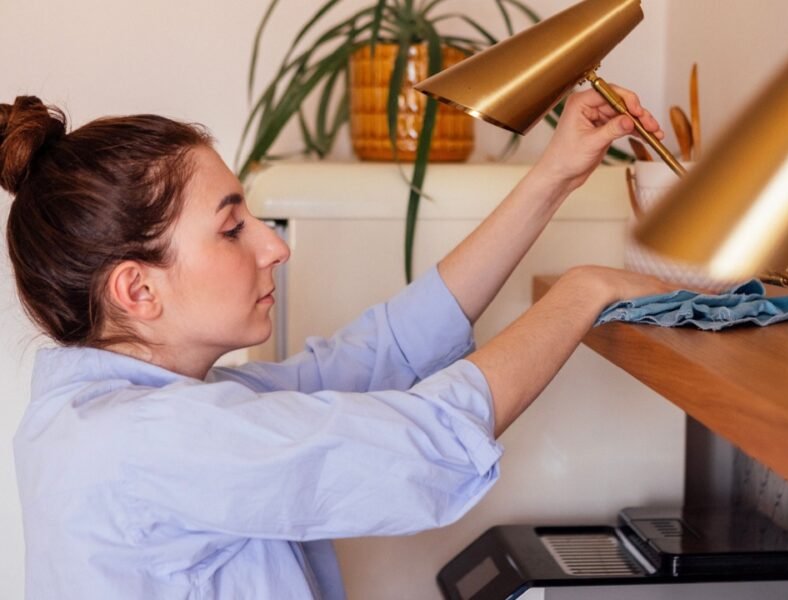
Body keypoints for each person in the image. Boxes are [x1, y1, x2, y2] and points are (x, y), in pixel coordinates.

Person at [1, 89, 670, 599]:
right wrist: (582, 291)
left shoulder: (129, 415)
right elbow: (426, 442)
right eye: (232, 230)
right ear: (137, 290)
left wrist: (555, 176)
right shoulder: (147, 441)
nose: (274, 247)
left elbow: (377, 354)